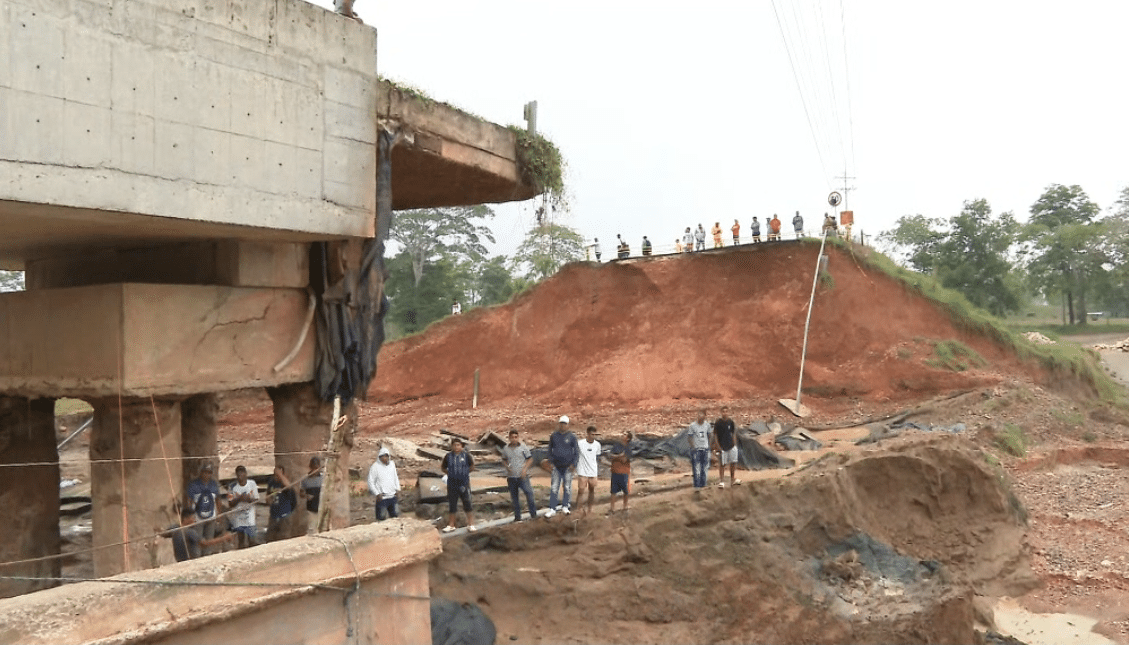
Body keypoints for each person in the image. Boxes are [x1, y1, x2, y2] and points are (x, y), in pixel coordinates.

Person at [156, 506, 234, 563]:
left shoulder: (174, 528)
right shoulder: (189, 532)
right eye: (192, 517)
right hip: (191, 562)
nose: (194, 520)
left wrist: (158, 530)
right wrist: (223, 538)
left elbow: (163, 534)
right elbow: (204, 544)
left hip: (179, 562)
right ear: (185, 519)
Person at [544, 415, 579, 517]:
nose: (563, 425)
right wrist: (550, 462)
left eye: (565, 424)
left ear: (568, 425)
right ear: (559, 424)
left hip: (568, 467)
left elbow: (576, 452)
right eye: (561, 423)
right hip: (556, 466)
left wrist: (574, 464)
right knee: (554, 488)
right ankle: (552, 508)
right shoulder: (554, 436)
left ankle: (565, 506)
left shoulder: (572, 437)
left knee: (567, 487)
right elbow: (550, 449)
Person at [500, 429, 538, 522]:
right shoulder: (506, 449)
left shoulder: (523, 447)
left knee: (529, 494)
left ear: (518, 437)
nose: (514, 439)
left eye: (516, 437)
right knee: (514, 498)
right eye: (512, 437)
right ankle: (517, 517)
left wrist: (525, 469)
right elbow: (503, 459)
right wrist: (507, 467)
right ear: (509, 438)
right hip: (511, 477)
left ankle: (533, 515)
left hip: (522, 476)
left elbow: (530, 459)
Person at [186, 463, 221, 555]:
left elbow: (218, 499)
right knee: (197, 540)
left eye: (209, 472)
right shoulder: (193, 485)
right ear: (201, 472)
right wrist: (190, 515)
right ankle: (197, 558)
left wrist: (219, 514)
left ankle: (207, 557)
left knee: (209, 540)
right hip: (198, 518)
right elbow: (189, 500)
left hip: (211, 517)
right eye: (205, 472)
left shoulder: (214, 484)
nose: (207, 475)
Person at [441, 438, 476, 532]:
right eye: (454, 445)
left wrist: (464, 473)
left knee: (467, 503)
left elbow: (472, 466)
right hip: (452, 484)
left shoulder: (466, 455)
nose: (456, 447)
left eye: (458, 445)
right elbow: (443, 467)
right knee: (452, 505)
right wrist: (450, 473)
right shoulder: (448, 456)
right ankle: (451, 525)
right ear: (452, 446)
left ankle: (471, 524)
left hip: (464, 484)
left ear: (461, 446)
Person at [227, 465, 259, 548]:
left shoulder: (252, 484)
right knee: (241, 542)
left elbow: (256, 499)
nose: (240, 477)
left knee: (252, 541)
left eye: (242, 474)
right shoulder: (232, 486)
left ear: (246, 474)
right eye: (238, 475)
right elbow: (230, 503)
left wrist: (248, 499)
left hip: (250, 518)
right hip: (238, 518)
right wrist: (239, 499)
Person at [368, 447, 401, 522]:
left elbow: (395, 477)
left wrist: (398, 489)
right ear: (380, 457)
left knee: (395, 518)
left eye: (387, 456)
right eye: (384, 456)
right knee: (381, 518)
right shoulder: (375, 467)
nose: (386, 458)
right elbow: (370, 481)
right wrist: (377, 493)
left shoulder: (392, 464)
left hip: (393, 496)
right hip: (382, 498)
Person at [266, 465, 297, 542]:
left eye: (277, 475)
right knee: (270, 538)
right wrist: (269, 500)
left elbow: (289, 487)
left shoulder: (285, 483)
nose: (276, 477)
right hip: (273, 515)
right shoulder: (271, 483)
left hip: (284, 515)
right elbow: (268, 495)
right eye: (275, 474)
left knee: (284, 538)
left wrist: (280, 475)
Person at [711, 406, 740, 488]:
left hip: (731, 446)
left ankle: (732, 479)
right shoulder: (718, 423)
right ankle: (722, 481)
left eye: (726, 411)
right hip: (722, 447)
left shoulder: (731, 422)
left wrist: (734, 444)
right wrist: (718, 446)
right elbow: (715, 435)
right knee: (722, 464)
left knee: (733, 462)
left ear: (728, 412)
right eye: (723, 411)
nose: (725, 413)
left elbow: (733, 433)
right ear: (721, 412)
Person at [576, 426, 602, 516]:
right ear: (587, 433)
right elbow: (575, 454)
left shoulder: (597, 445)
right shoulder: (580, 443)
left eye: (595, 434)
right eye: (592, 434)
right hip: (582, 470)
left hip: (593, 471)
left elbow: (597, 456)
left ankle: (590, 509)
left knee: (592, 490)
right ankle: (578, 509)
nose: (593, 436)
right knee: (581, 490)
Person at [608, 431, 632, 515]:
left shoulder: (628, 448)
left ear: (628, 438)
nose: (622, 435)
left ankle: (625, 506)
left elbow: (625, 459)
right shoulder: (616, 445)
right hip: (615, 471)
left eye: (625, 434)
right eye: (623, 433)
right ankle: (612, 508)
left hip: (624, 472)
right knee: (613, 491)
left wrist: (616, 456)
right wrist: (619, 456)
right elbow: (610, 455)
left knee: (626, 491)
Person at [687, 410, 712, 489]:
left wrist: (708, 446)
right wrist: (693, 446)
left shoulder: (707, 425)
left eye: (702, 414)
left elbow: (710, 435)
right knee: (697, 468)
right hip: (696, 449)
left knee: (705, 467)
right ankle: (697, 486)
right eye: (699, 414)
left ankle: (703, 484)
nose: (700, 416)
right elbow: (689, 437)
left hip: (705, 448)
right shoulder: (693, 425)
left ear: (705, 416)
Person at [301, 456, 322, 534]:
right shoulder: (305, 479)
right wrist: (306, 495)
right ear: (310, 467)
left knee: (323, 529)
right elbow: (301, 493)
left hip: (322, 509)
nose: (315, 470)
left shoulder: (324, 478)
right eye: (313, 468)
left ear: (319, 467)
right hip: (311, 509)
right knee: (311, 529)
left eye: (316, 468)